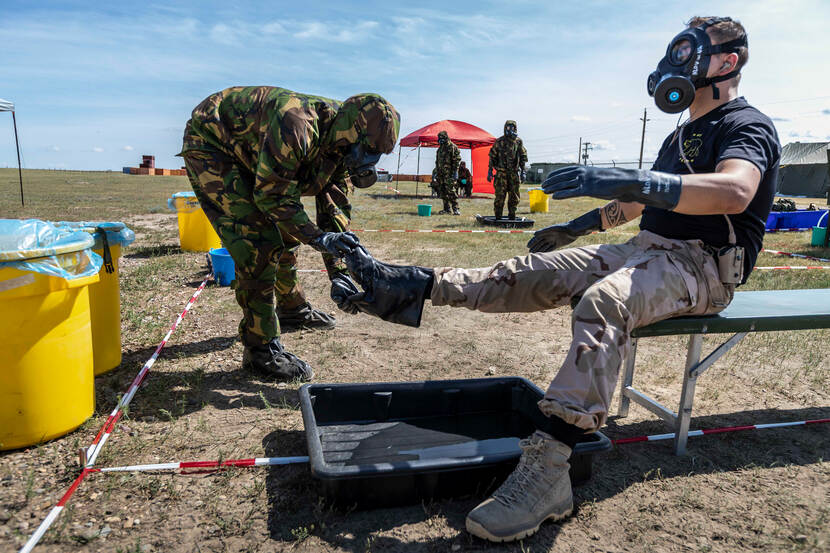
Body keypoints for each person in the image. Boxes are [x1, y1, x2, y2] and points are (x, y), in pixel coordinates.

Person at [331, 17, 779, 542]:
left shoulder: (746, 124)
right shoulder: (680, 133)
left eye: (689, 52)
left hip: (702, 266)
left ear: (727, 62)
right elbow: (640, 202)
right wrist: (575, 228)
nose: (674, 63)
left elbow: (734, 191)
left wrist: (632, 178)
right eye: (674, 51)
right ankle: (406, 285)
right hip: (646, 249)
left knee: (604, 302)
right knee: (526, 272)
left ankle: (548, 472)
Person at [179, 86, 400, 382]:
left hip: (257, 153)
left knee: (287, 234)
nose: (366, 160)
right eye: (366, 151)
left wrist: (340, 273)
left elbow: (334, 210)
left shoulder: (343, 144)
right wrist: (318, 238)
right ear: (351, 133)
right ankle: (260, 348)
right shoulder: (297, 123)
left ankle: (292, 308)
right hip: (214, 142)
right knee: (258, 241)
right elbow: (272, 195)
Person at [488, 120, 528, 219]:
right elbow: (492, 156)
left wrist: (523, 171)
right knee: (500, 196)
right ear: (505, 128)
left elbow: (523, 156)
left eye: (512, 127)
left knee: (514, 197)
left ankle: (512, 216)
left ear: (515, 128)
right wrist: (490, 171)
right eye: (508, 127)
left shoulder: (518, 141)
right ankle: (498, 217)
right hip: (501, 174)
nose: (510, 129)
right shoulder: (499, 141)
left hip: (513, 174)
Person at [434, 130, 461, 215]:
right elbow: (437, 161)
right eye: (439, 139)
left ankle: (456, 209)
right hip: (441, 174)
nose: (440, 140)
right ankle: (446, 209)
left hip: (450, 174)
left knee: (451, 191)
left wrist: (455, 172)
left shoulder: (452, 147)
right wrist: (436, 171)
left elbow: (457, 160)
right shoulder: (440, 149)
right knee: (443, 191)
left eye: (441, 139)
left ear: (446, 138)